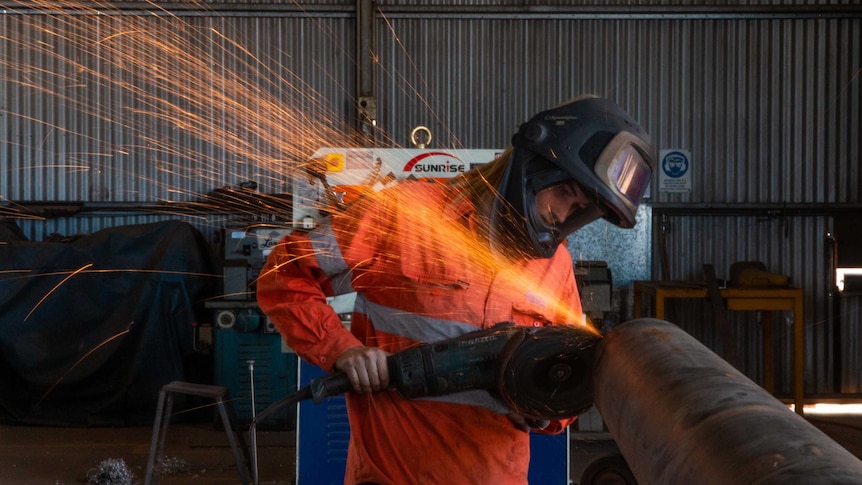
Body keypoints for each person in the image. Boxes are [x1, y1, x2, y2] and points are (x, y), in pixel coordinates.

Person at [256, 96, 655, 485]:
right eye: (565, 194)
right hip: (393, 474)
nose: (563, 215)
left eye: (579, 209)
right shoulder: (406, 214)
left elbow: (570, 374)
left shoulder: (555, 265)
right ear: (534, 169)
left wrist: (544, 410)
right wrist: (342, 349)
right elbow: (284, 273)